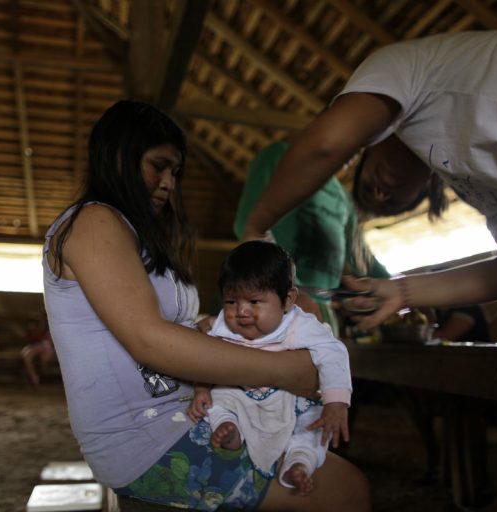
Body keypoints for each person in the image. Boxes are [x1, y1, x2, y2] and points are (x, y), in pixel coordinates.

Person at [240, 29, 497, 512]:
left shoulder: (408, 65)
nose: (382, 193)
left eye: (394, 197)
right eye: (379, 198)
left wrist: (256, 228)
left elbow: (327, 142)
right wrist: (404, 293)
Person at [42, 100, 369, 511]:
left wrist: (207, 325)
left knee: (303, 329)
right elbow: (148, 339)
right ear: (118, 157)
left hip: (186, 408)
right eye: (158, 166)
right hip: (144, 436)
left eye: (175, 172)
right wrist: (285, 370)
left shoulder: (135, 237)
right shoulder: (93, 222)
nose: (168, 183)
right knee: (346, 490)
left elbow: (165, 325)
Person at [187, 241, 351, 496]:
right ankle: (230, 429)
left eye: (255, 301)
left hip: (289, 398)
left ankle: (299, 462)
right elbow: (207, 357)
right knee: (214, 401)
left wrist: (336, 402)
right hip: (241, 394)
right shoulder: (220, 325)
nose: (241, 311)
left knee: (314, 423)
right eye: (231, 301)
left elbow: (333, 352)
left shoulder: (299, 325)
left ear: (288, 300)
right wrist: (201, 388)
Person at [234, 140, 390, 334]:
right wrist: (289, 290)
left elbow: (360, 257)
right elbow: (247, 225)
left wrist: (397, 287)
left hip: (321, 312)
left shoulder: (342, 197)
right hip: (277, 303)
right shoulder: (280, 156)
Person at [20, 316, 56, 387]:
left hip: (45, 348)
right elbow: (26, 340)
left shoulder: (45, 330)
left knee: (44, 358)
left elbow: (49, 342)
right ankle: (34, 377)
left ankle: (39, 375)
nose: (31, 326)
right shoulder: (29, 332)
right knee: (27, 357)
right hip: (33, 347)